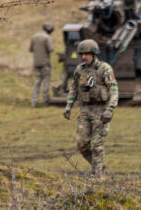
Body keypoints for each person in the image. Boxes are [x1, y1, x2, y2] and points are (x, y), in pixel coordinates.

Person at [63, 39, 117, 177]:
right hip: (85, 111)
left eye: (87, 54)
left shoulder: (104, 69)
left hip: (100, 111)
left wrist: (110, 109)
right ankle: (98, 165)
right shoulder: (80, 70)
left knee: (97, 145)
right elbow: (73, 89)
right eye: (82, 54)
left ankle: (97, 175)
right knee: (82, 144)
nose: (83, 57)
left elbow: (113, 89)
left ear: (94, 54)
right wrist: (68, 105)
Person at [29, 23, 55, 107]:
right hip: (45, 64)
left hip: (36, 64)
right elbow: (51, 49)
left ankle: (34, 101)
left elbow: (30, 49)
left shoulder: (34, 36)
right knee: (46, 83)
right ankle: (45, 102)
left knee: (37, 83)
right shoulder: (47, 37)